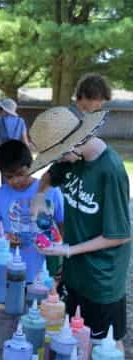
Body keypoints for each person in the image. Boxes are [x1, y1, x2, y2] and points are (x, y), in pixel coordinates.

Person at [30, 77, 130, 350]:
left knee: (106, 344)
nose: (58, 162)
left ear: (73, 143)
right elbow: (48, 178)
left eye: (58, 155)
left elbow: (119, 236)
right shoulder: (71, 161)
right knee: (73, 335)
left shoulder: (110, 170)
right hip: (74, 272)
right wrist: (39, 197)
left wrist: (67, 250)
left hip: (102, 279)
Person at [0, 140, 64, 282]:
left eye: (20, 174)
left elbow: (64, 227)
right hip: (10, 272)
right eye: (9, 177)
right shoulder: (1, 194)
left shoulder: (51, 191)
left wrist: (66, 260)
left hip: (45, 272)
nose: (15, 180)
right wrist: (4, 239)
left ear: (31, 166)